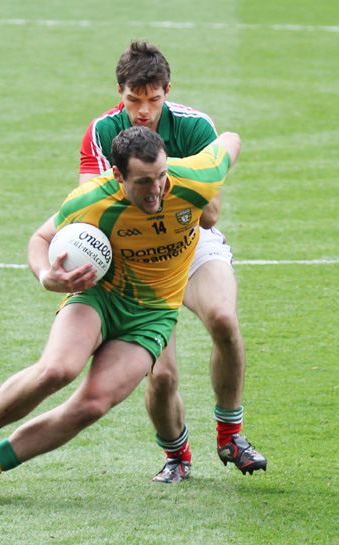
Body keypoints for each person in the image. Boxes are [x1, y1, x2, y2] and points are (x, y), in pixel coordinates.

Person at [0, 126, 239, 504]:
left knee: (92, 405)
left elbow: (231, 140)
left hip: (152, 316)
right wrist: (46, 275)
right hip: (101, 296)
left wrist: (206, 187)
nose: (157, 190)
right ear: (118, 176)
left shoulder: (194, 177)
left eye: (162, 176)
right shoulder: (93, 199)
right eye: (144, 181)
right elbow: (40, 239)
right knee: (56, 370)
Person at [79, 40, 267, 482]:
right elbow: (89, 208)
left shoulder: (195, 126)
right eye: (133, 100)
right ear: (119, 92)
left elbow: (211, 214)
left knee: (223, 317)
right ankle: (177, 456)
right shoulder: (102, 132)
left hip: (192, 236)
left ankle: (230, 434)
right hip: (137, 252)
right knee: (161, 377)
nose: (143, 111)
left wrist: (160, 182)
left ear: (167, 90)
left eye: (153, 100)